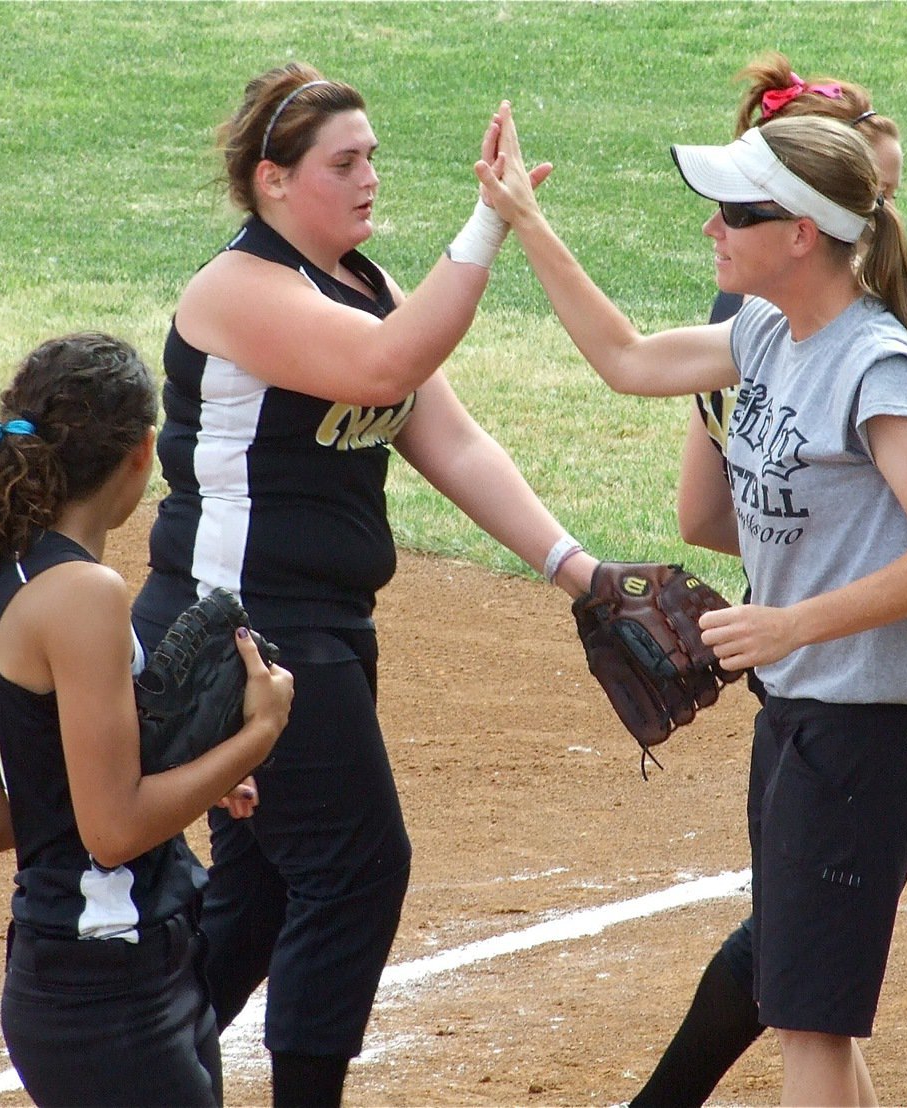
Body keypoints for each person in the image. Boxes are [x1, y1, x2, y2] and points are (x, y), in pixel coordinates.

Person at [480, 103, 907, 1104]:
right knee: (816, 1015)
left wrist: (788, 623)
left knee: (807, 1022)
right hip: (806, 715)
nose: (710, 225)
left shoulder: (873, 362)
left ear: (802, 233)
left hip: (863, 730)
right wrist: (525, 224)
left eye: (734, 211)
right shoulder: (766, 330)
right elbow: (627, 360)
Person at [129, 64, 597, 1106]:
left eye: (373, 156)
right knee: (354, 867)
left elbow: (454, 441)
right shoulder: (239, 289)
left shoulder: (362, 282)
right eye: (343, 162)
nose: (368, 177)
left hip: (317, 625)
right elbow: (389, 368)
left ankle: (133, 1068)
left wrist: (580, 571)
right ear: (273, 181)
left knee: (263, 889)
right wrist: (487, 225)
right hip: (239, 630)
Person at [633, 58, 907, 1108]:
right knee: (804, 952)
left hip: (872, 640)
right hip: (836, 656)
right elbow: (706, 513)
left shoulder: (838, 315)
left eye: (889, 192)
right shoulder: (773, 319)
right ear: (816, 210)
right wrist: (832, 586)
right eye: (874, 190)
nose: (884, 214)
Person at [0, 332, 295, 1107]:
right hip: (113, 998)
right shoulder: (86, 594)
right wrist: (255, 735)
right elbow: (112, 831)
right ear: (143, 452)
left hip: (76, 976)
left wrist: (182, 774)